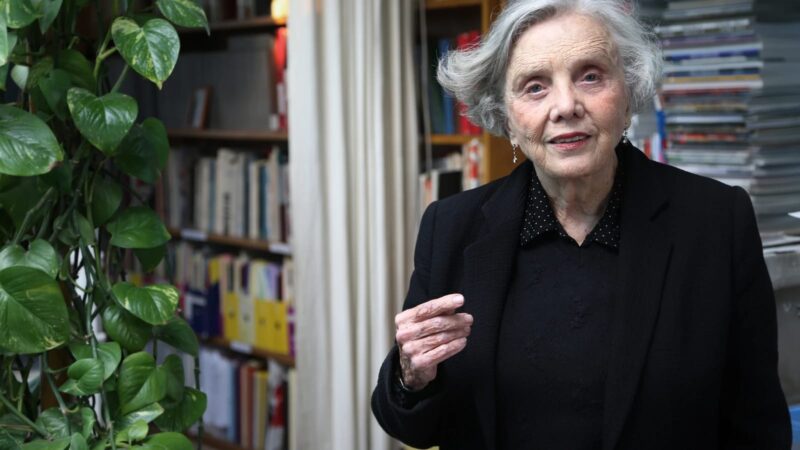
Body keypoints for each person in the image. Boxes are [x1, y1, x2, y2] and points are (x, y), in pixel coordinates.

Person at [371, 0, 791, 448]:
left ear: (628, 93)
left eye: (590, 76)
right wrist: (411, 374)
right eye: (535, 87)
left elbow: (758, 427)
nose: (565, 106)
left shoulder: (716, 221)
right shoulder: (452, 227)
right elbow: (411, 426)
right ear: (506, 117)